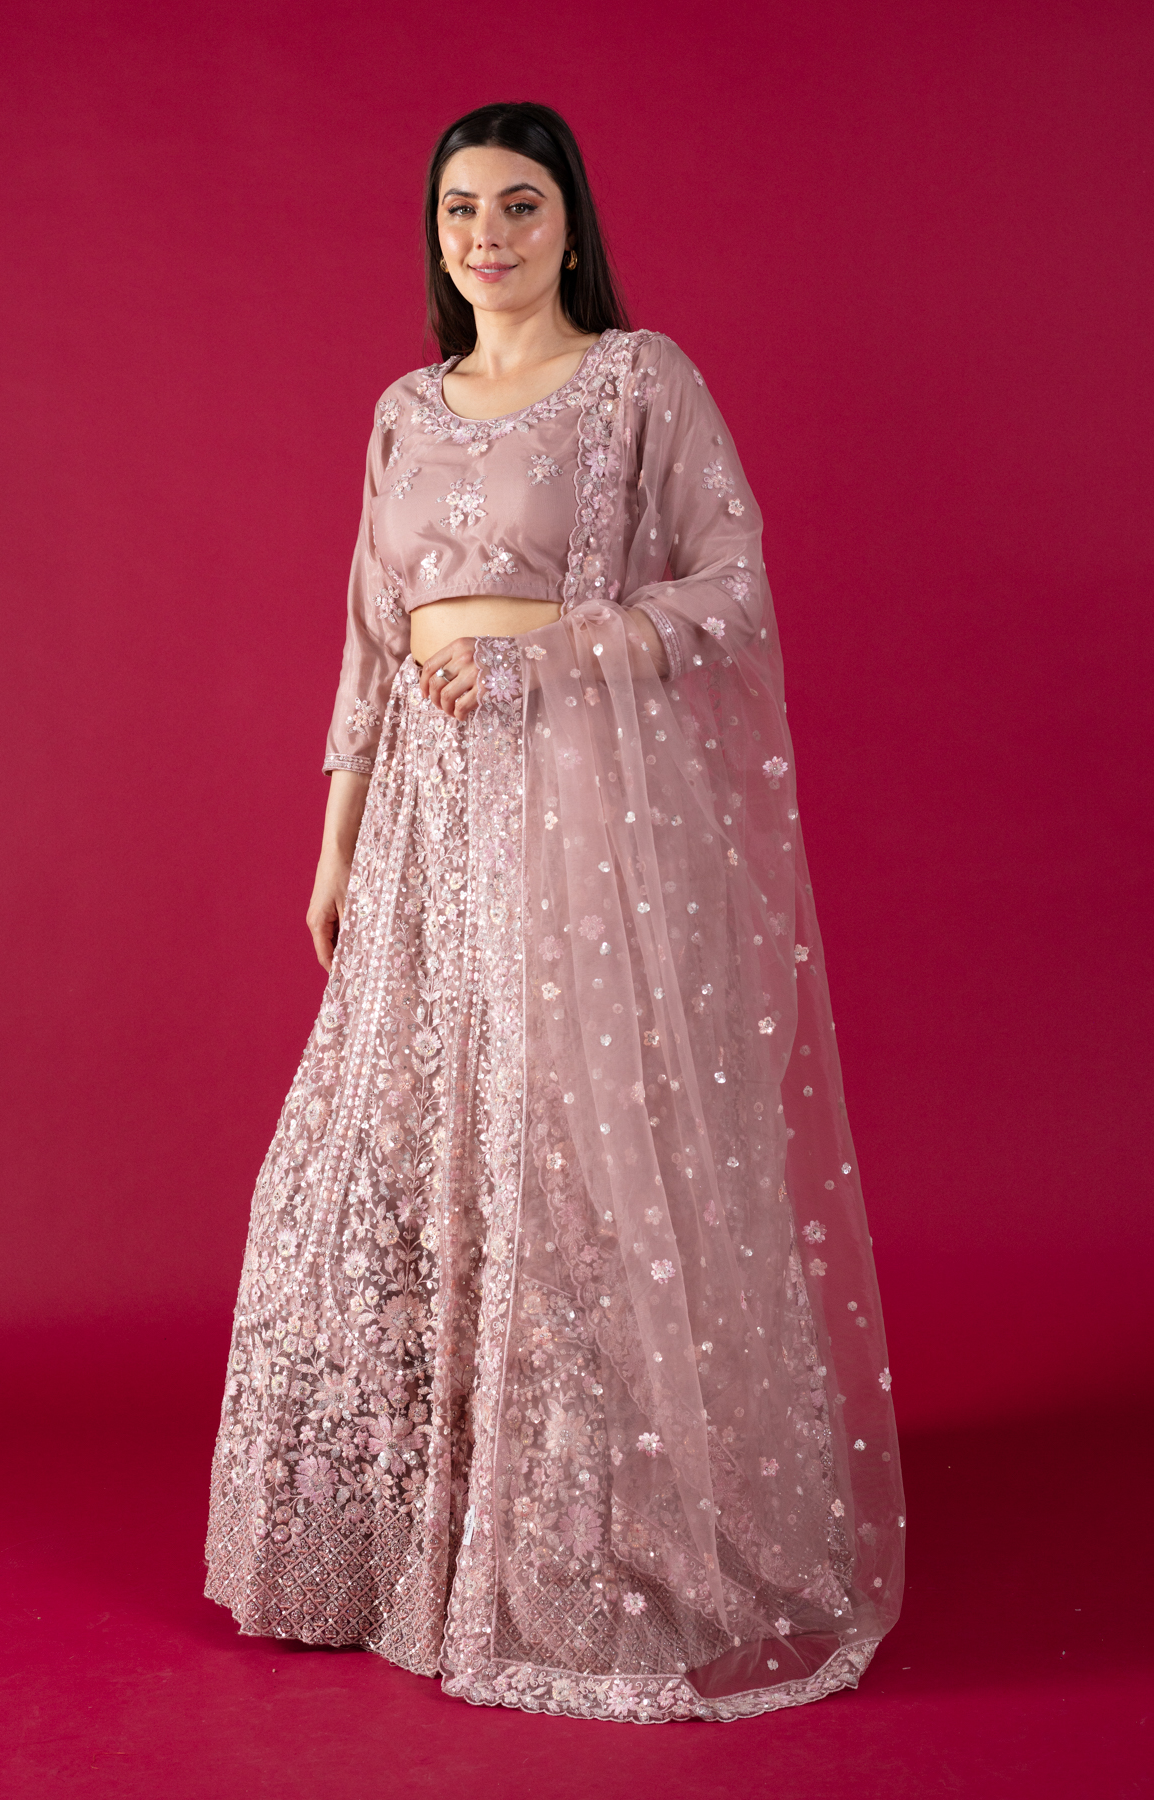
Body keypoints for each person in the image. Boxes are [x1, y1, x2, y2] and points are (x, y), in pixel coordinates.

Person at [204, 101, 904, 1724]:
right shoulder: (404, 409)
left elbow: (730, 588)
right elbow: (370, 635)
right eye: (462, 210)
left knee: (562, 1157)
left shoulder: (638, 383)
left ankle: (581, 1549)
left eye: (520, 205)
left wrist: (550, 654)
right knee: (383, 1156)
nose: (489, 236)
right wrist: (334, 842)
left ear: (570, 223)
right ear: (435, 234)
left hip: (577, 821)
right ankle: (380, 1550)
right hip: (420, 829)